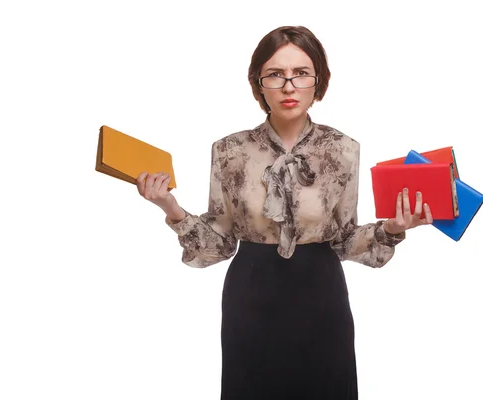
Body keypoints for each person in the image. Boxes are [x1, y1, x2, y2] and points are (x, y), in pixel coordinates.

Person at [136, 25, 433, 400]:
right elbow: (219, 243)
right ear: (258, 84)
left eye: (301, 74)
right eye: (275, 74)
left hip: (321, 296)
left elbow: (343, 240)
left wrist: (391, 228)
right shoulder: (230, 151)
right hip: (251, 295)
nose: (289, 86)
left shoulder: (343, 149)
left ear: (318, 82)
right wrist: (170, 208)